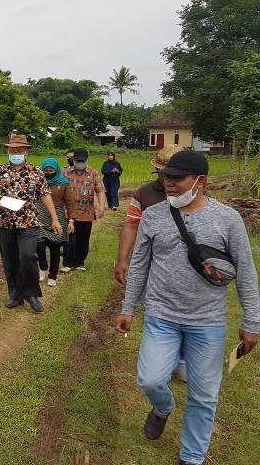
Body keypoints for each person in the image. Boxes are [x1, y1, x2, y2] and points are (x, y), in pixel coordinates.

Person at [116, 151, 260, 465]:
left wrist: (252, 321)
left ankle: (192, 456)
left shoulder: (227, 219)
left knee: (205, 395)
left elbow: (246, 272)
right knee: (150, 380)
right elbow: (139, 265)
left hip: (207, 321)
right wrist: (128, 307)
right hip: (160, 316)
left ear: (200, 181)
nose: (168, 183)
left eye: (177, 178)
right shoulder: (153, 216)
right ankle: (163, 407)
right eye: (166, 176)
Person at [0, 134, 62, 313]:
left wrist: (55, 218)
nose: (15, 153)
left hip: (29, 223)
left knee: (27, 257)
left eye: (19, 150)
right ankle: (16, 295)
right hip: (5, 223)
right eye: (12, 150)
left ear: (26, 152)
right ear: (8, 151)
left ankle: (32, 294)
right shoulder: (0, 170)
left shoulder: (36, 172)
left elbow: (45, 195)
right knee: (10, 261)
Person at [114, 144, 183, 285]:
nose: (167, 179)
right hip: (153, 263)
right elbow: (131, 225)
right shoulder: (144, 193)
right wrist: (122, 260)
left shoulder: (197, 194)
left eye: (173, 174)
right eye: (162, 173)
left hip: (185, 264)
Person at [60, 148, 106, 272]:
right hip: (69, 212)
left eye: (82, 161)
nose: (80, 163)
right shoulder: (65, 173)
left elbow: (100, 190)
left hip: (87, 212)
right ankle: (68, 262)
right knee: (70, 238)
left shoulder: (93, 173)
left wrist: (101, 207)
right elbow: (59, 189)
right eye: (77, 161)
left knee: (83, 238)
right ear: (73, 160)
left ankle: (80, 262)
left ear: (86, 160)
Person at [36, 158, 71, 287]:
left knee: (55, 247)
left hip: (58, 216)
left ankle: (53, 276)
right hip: (41, 216)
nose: (48, 172)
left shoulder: (64, 183)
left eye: (51, 170)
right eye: (46, 170)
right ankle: (43, 266)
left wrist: (71, 220)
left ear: (56, 170)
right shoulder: (38, 182)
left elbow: (69, 202)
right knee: (39, 244)